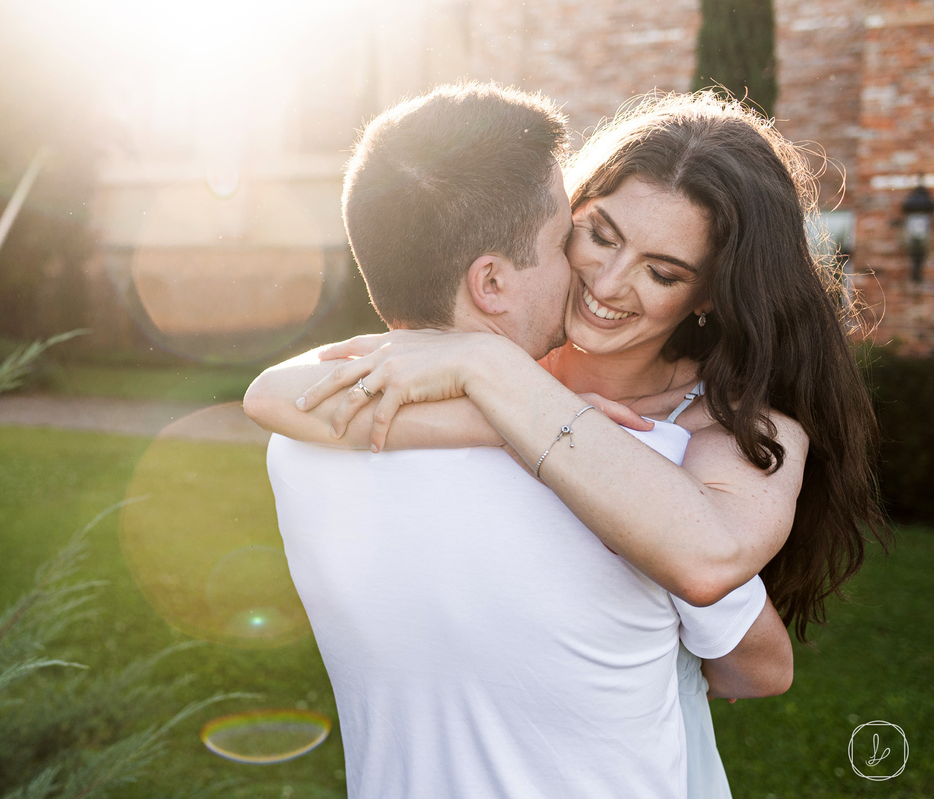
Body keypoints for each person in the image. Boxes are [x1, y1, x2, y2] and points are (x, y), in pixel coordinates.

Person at [247, 89, 891, 795]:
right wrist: (522, 406)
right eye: (598, 235)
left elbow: (758, 654)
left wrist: (496, 376)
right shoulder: (594, 431)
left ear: (710, 293)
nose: (608, 283)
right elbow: (273, 393)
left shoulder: (724, 438)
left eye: (663, 272)